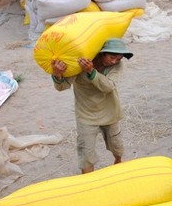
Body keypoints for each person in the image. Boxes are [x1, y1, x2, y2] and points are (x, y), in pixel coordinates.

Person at [51, 38, 133, 174]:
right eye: (112, 57)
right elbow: (62, 86)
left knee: (116, 145)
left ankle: (118, 162)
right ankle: (88, 181)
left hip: (110, 111)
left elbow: (108, 86)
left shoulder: (117, 66)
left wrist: (91, 71)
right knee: (86, 152)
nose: (114, 61)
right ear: (102, 53)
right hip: (86, 115)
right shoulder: (79, 64)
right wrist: (57, 74)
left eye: (118, 58)